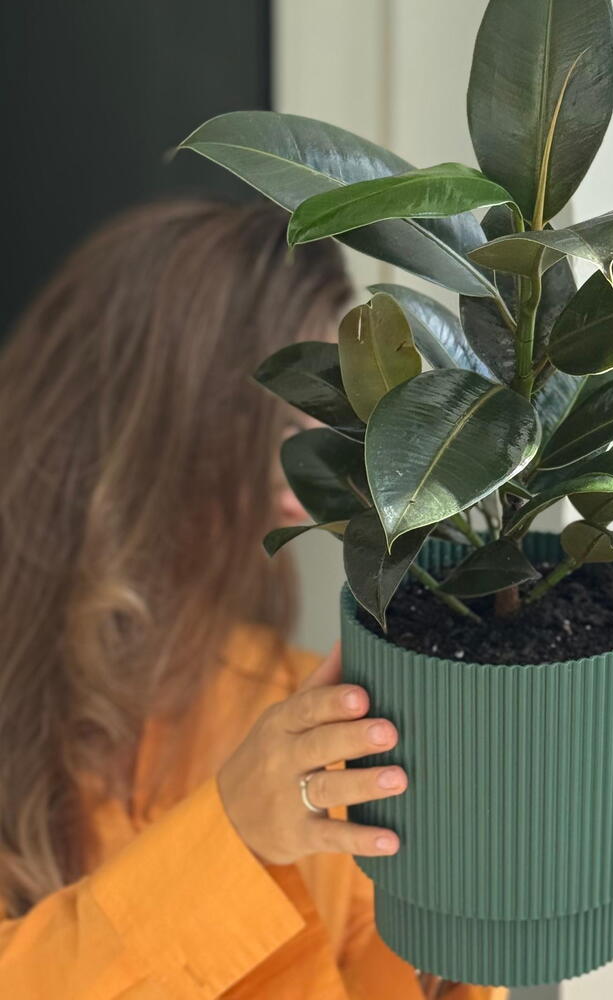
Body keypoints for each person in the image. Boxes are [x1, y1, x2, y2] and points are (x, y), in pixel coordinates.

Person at [0, 199, 505, 999]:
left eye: (329, 432)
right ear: (158, 421)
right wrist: (230, 840)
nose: (307, 496)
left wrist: (458, 912)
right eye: (278, 434)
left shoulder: (302, 716)